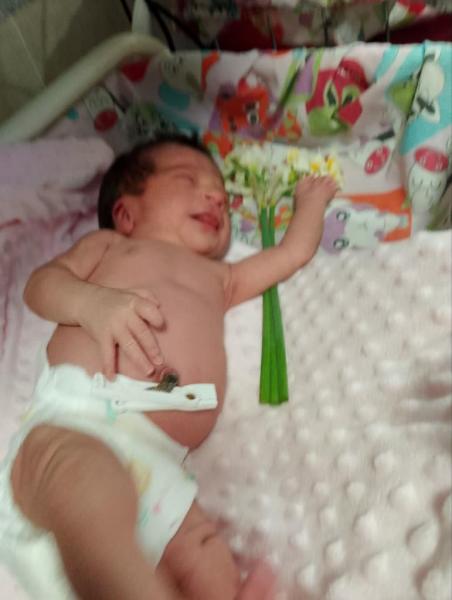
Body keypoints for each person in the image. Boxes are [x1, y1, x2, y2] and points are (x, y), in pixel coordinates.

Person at [1, 133, 338, 600]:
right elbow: (41, 286)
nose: (215, 196)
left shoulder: (222, 277)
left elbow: (291, 255)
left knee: (207, 559)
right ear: (126, 213)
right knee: (89, 486)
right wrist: (89, 303)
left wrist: (311, 204)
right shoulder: (109, 247)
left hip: (160, 465)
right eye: (189, 180)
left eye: (222, 198)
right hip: (75, 424)